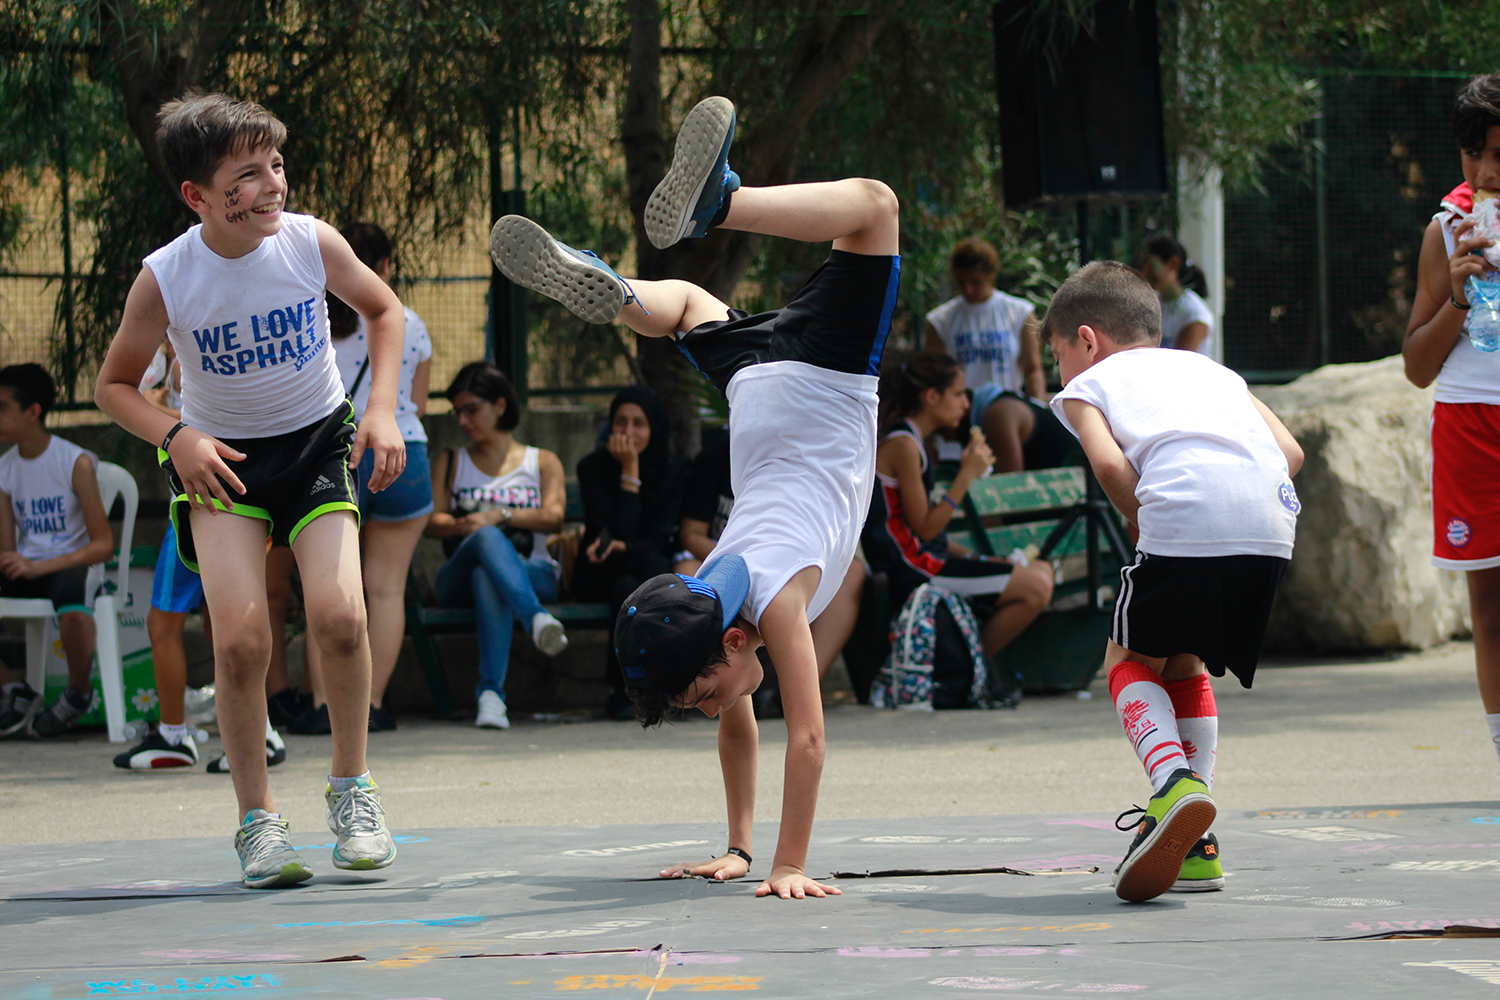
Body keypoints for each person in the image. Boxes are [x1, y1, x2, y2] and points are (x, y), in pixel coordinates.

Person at [492, 95, 896, 900]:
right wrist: (741, 851)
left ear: (733, 646)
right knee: (682, 303)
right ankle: (620, 286)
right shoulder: (711, 587)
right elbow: (741, 712)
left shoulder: (773, 607)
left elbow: (808, 739)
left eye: (703, 693)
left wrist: (788, 865)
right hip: (756, 391)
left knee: (877, 208)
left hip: (824, 378)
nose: (711, 709)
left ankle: (723, 203)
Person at [94, 92, 404, 888]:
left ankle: (351, 791)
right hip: (220, 463)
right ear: (198, 196)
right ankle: (258, 824)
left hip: (315, 447)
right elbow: (114, 387)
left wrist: (379, 412)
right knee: (239, 642)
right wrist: (177, 435)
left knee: (338, 617)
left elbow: (384, 311)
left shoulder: (308, 243)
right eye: (248, 174)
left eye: (276, 165)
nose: (272, 185)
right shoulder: (167, 277)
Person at [1042, 260, 1303, 902]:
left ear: (1087, 340)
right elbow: (1291, 454)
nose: (1060, 373)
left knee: (1126, 658)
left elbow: (1107, 462)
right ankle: (1197, 846)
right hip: (1271, 525)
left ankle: (1173, 788)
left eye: (1058, 356)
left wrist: (1143, 520)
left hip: (1185, 517)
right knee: (1183, 658)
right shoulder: (1215, 371)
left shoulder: (1090, 384)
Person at [292, 222, 433, 734]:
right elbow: (417, 403)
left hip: (335, 456)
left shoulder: (312, 318)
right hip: (404, 452)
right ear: (387, 267)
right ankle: (372, 705)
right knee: (387, 590)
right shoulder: (410, 322)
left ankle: (325, 706)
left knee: (326, 588)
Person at [1402, 71, 1500, 783]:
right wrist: (1461, 296)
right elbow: (1416, 365)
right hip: (1469, 420)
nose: (1488, 171)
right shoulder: (1445, 228)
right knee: (1490, 608)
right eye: (1475, 153)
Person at [862, 353, 1054, 658]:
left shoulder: (917, 443)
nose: (967, 404)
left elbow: (926, 533)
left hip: (929, 562)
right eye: (959, 394)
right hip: (914, 571)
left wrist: (981, 558)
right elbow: (924, 530)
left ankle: (968, 670)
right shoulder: (903, 446)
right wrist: (966, 475)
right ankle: (973, 674)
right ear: (932, 397)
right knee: (1035, 586)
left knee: (1040, 570)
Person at [675, 434, 866, 712]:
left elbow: (809, 740)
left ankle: (798, 693)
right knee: (690, 573)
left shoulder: (797, 458)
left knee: (842, 577)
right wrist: (737, 559)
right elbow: (691, 534)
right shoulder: (715, 460)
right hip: (731, 565)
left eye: (708, 698)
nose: (710, 713)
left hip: (781, 565)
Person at [425, 362, 568, 730]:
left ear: (500, 405)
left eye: (472, 409)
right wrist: (472, 524)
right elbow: (432, 522)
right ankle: (535, 617)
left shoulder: (542, 461)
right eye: (458, 412)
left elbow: (554, 517)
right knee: (485, 542)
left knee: (486, 577)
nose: (462, 420)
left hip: (532, 571)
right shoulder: (452, 460)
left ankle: (491, 696)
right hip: (456, 579)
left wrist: (500, 515)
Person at [0, 364, 113, 738]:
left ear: (32, 411)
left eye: (2, 407)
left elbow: (102, 546)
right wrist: (21, 564)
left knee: (74, 610)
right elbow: (7, 549)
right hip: (30, 567)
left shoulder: (75, 462)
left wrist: (38, 566)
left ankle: (78, 692)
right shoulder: (5, 469)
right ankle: (13, 686)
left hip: (74, 564)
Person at [574, 386, 689, 720]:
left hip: (641, 568)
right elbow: (618, 533)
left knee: (635, 586)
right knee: (638, 578)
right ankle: (633, 690)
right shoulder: (592, 468)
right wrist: (630, 470)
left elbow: (659, 535)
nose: (627, 432)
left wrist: (625, 544)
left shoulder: (675, 470)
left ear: (654, 428)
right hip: (599, 569)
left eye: (638, 423)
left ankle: (634, 691)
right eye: (620, 422)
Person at [922, 238, 1071, 472]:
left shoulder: (1019, 312)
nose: (968, 290)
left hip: (1006, 415)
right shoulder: (940, 321)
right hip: (959, 421)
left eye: (976, 282)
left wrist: (1035, 406)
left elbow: (1032, 368)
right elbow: (931, 379)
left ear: (991, 275)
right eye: (961, 283)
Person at [1141, 234, 1214, 355]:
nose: (1145, 271)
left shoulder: (1194, 314)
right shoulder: (1150, 305)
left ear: (1173, 264)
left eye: (1152, 265)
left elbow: (1179, 365)